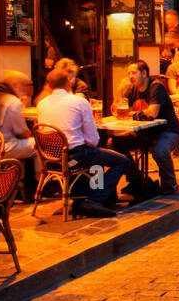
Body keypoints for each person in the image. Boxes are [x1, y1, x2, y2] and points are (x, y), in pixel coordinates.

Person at [36, 67, 144, 217]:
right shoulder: (78, 102)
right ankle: (94, 199)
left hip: (51, 159)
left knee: (96, 160)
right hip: (74, 158)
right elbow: (94, 139)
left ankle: (87, 198)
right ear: (69, 82)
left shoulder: (42, 104)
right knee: (121, 161)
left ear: (49, 85)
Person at [118, 60, 179, 195]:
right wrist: (120, 89)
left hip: (168, 131)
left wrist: (131, 113)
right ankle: (136, 180)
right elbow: (118, 110)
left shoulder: (156, 86)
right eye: (128, 73)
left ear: (144, 73)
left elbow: (152, 113)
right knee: (112, 143)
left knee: (159, 151)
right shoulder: (131, 89)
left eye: (133, 73)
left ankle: (169, 185)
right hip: (144, 132)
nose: (130, 76)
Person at [159, 10, 179, 75]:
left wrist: (173, 44)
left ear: (177, 22)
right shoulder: (163, 35)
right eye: (167, 19)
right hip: (165, 69)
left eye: (171, 19)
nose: (169, 22)